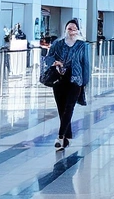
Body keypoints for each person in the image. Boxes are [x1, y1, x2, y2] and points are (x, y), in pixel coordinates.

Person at [46, 19, 92, 149]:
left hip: (75, 80)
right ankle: (67, 135)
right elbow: (49, 57)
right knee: (62, 108)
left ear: (77, 31)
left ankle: (60, 137)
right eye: (69, 28)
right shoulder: (58, 44)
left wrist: (84, 81)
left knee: (69, 107)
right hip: (59, 80)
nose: (71, 31)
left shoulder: (83, 45)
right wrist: (55, 62)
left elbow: (86, 64)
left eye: (73, 28)